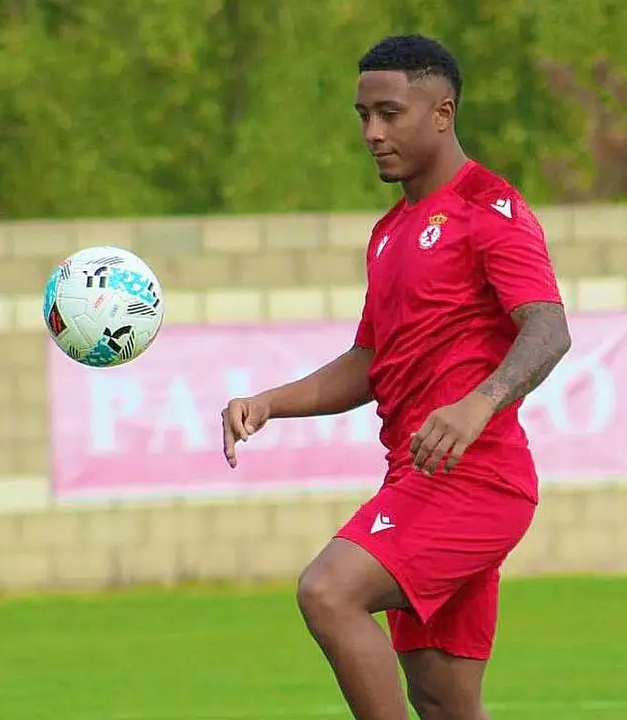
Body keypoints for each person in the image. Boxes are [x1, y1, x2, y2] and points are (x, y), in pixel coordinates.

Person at [220, 34, 571, 720]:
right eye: (363, 116)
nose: (373, 133)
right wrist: (269, 403)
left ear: (442, 112)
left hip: (478, 481)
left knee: (328, 591)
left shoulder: (489, 208)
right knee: (443, 702)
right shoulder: (389, 232)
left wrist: (478, 404)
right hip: (418, 477)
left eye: (390, 113)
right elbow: (370, 364)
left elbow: (549, 329)